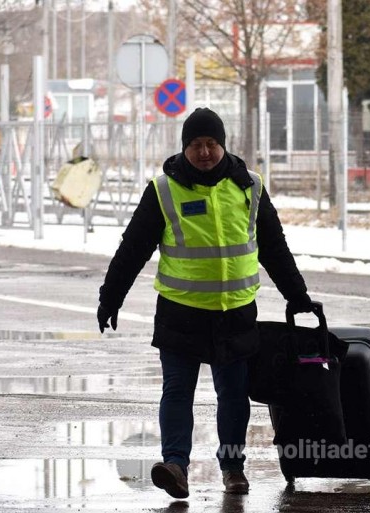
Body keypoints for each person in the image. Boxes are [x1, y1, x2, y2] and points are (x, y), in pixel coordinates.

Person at [97, 108, 313, 498]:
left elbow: (274, 248)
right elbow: (133, 249)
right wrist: (110, 297)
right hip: (181, 312)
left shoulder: (250, 186)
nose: (204, 152)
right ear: (184, 148)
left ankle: (232, 468)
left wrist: (297, 295)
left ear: (222, 144)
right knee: (177, 390)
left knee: (233, 394)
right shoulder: (164, 190)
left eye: (211, 143)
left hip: (235, 312)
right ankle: (175, 466)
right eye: (196, 145)